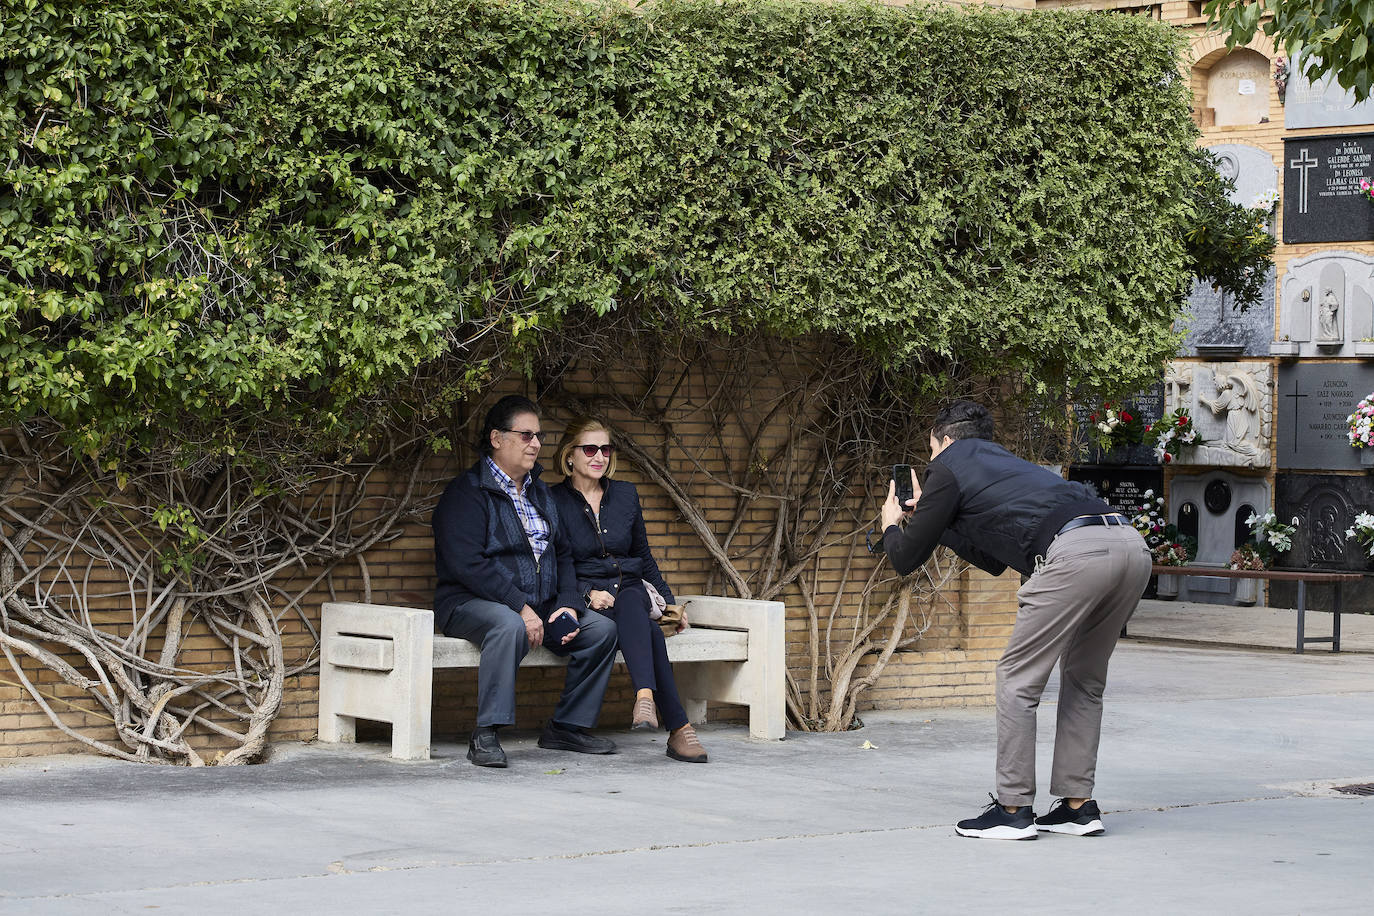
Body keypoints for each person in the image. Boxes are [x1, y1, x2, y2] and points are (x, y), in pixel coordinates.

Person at [879, 400, 1151, 839]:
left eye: (931, 448)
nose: (931, 459)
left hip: (1075, 555)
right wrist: (930, 518)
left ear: (944, 439)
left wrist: (893, 525)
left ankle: (1013, 809)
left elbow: (905, 558)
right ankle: (1077, 807)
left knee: (1016, 678)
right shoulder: (1003, 464)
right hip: (1129, 546)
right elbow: (992, 559)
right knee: (1084, 679)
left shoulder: (947, 465)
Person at [432, 395, 620, 768]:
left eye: (538, 436)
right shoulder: (467, 492)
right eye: (526, 435)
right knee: (507, 626)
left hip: (542, 604)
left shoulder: (540, 493)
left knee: (600, 630)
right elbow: (467, 564)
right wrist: (520, 607)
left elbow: (562, 553)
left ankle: (566, 727)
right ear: (497, 438)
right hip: (470, 603)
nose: (536, 444)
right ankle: (486, 733)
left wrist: (567, 601)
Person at [550, 417, 709, 763]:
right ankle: (678, 728)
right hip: (594, 599)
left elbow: (644, 557)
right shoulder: (553, 501)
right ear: (569, 456)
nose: (599, 456)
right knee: (648, 631)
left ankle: (646, 700)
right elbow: (554, 565)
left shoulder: (625, 494)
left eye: (605, 449)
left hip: (631, 589)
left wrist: (669, 604)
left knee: (635, 600)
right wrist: (586, 593)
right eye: (589, 449)